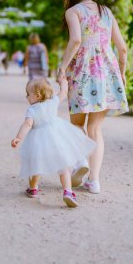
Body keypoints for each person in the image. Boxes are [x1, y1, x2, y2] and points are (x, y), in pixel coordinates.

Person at [57, 0, 129, 194]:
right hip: (107, 74)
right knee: (95, 129)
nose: (64, 2)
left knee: (77, 124)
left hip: (83, 73)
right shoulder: (106, 11)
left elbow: (76, 40)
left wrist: (62, 67)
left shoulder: (74, 12)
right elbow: (122, 48)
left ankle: (80, 162)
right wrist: (122, 74)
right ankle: (94, 181)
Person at [11, 78, 96, 208]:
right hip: (57, 140)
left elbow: (27, 124)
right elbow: (63, 92)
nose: (26, 96)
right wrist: (63, 82)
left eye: (28, 94)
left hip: (39, 143)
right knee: (64, 168)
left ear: (37, 95)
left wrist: (18, 137)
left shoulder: (32, 110)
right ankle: (68, 192)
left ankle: (33, 189)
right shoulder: (52, 102)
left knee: (36, 166)